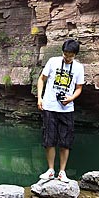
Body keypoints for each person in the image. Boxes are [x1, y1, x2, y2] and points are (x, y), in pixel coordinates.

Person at [36, 39, 85, 182]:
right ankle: (50, 170)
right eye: (65, 54)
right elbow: (41, 79)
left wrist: (70, 99)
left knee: (65, 141)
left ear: (75, 54)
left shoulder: (78, 68)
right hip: (50, 106)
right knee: (49, 139)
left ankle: (62, 172)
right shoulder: (53, 62)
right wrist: (40, 98)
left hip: (67, 109)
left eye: (70, 55)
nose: (67, 57)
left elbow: (79, 88)